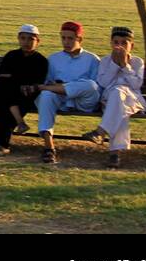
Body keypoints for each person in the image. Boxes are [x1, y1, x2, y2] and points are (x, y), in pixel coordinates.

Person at [34, 20, 100, 163]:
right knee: (45, 95)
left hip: (84, 102)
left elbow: (96, 87)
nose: (66, 42)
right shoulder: (54, 59)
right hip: (61, 101)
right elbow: (48, 81)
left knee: (90, 85)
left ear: (79, 39)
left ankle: (64, 88)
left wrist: (70, 86)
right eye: (63, 38)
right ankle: (48, 147)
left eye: (70, 38)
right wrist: (53, 87)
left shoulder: (92, 59)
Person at [83, 27, 146, 169]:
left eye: (124, 43)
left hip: (133, 99)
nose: (120, 46)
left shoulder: (137, 62)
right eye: (116, 42)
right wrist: (114, 65)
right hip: (110, 99)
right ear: (111, 44)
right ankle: (114, 153)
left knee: (119, 95)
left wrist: (124, 65)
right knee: (118, 103)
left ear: (132, 46)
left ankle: (101, 133)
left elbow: (136, 84)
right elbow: (103, 83)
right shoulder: (105, 61)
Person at [0, 24, 49, 157]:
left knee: (3, 100)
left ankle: (1, 144)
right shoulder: (11, 55)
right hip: (8, 92)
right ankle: (19, 123)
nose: (26, 42)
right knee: (4, 90)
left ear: (38, 41)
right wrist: (18, 79)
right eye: (23, 38)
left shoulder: (40, 60)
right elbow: (0, 76)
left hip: (26, 95)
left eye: (30, 39)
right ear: (18, 39)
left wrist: (14, 78)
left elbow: (35, 81)